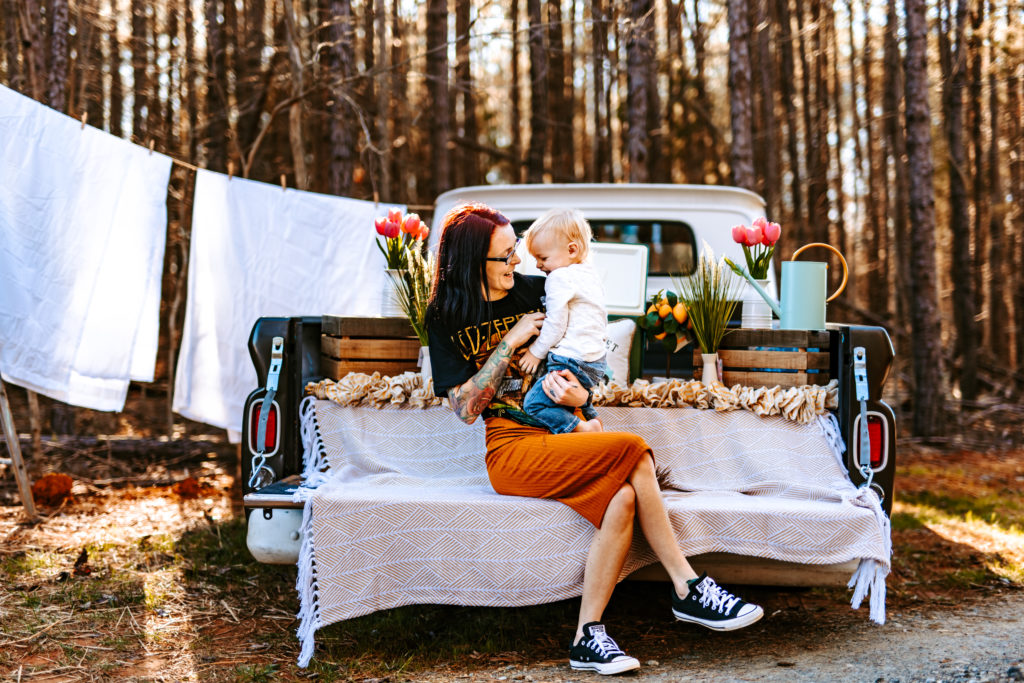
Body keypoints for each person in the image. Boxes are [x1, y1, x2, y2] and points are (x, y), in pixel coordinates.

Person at [426, 203, 763, 676]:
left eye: (516, 253)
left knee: (624, 497)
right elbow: (463, 409)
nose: (517, 263)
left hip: (560, 430)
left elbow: (586, 341)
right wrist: (512, 340)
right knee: (631, 449)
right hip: (510, 449)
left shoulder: (538, 288)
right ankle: (687, 586)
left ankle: (589, 636)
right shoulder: (444, 316)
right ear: (470, 262)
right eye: (505, 256)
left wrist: (584, 397)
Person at [518, 208, 607, 434]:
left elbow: (556, 324)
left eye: (543, 257)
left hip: (570, 359)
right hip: (595, 361)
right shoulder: (589, 275)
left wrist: (535, 352)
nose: (538, 265)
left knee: (533, 404)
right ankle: (591, 416)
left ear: (572, 250)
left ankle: (584, 430)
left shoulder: (560, 277)